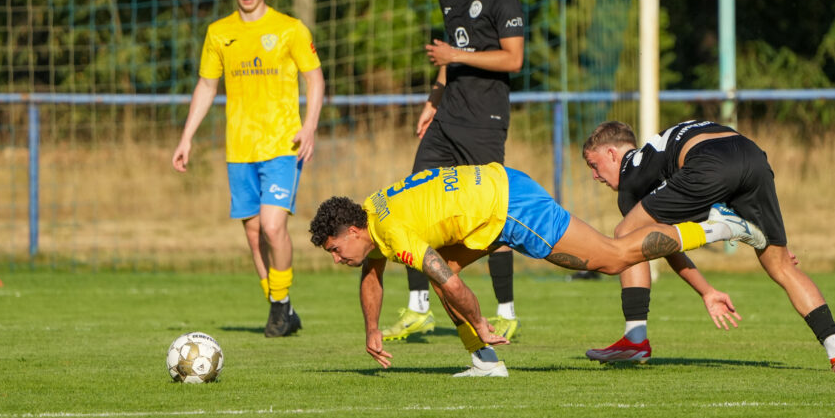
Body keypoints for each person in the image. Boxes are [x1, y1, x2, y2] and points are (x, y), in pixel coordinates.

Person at [308, 162, 761, 377]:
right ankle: (485, 363)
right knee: (441, 268)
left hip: (512, 207)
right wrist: (371, 328)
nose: (336, 259)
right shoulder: (371, 214)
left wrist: (482, 321)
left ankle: (716, 228)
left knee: (612, 257)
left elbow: (449, 281)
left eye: (333, 249)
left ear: (351, 230)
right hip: (495, 200)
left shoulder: (391, 232)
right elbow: (372, 273)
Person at [582, 120, 835, 373]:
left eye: (593, 165)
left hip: (709, 160)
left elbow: (651, 246)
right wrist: (707, 291)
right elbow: (664, 244)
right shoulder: (657, 158)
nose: (595, 176)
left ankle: (635, 339)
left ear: (612, 154)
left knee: (624, 234)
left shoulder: (632, 172)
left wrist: (705, 288)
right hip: (751, 155)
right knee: (780, 264)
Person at [381, 0, 525, 342]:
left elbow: (513, 59)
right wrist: (433, 100)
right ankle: (417, 308)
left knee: (490, 214)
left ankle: (506, 311)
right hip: (447, 120)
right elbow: (448, 61)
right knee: (410, 202)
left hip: (485, 122)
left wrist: (455, 54)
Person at [172, 0, 325, 338]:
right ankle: (282, 308)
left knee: (274, 227)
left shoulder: (290, 28)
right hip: (239, 148)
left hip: (281, 145)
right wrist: (186, 138)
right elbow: (207, 86)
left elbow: (315, 79)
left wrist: (309, 127)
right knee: (254, 233)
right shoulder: (219, 33)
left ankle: (279, 305)